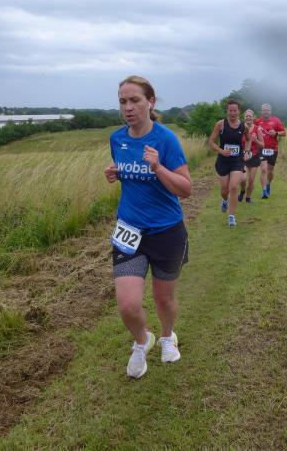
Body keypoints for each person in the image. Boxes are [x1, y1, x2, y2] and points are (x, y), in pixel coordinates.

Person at [104, 75, 191, 379]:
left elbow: (185, 188)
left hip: (166, 231)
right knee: (128, 305)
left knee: (163, 298)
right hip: (129, 231)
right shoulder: (117, 139)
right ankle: (143, 341)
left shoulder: (166, 139)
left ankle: (167, 336)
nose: (128, 107)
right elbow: (130, 174)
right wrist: (116, 173)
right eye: (122, 102)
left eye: (134, 100)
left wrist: (157, 167)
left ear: (150, 102)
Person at [208, 100, 251, 227]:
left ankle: (231, 216)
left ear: (239, 111)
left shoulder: (243, 126)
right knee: (224, 190)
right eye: (230, 110)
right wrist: (221, 151)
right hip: (223, 161)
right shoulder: (220, 124)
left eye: (235, 110)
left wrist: (246, 151)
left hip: (237, 160)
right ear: (227, 111)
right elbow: (211, 142)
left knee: (233, 187)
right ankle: (224, 201)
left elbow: (248, 139)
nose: (233, 113)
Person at [255, 103, 286, 199]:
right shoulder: (257, 121)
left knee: (270, 171)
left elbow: (284, 133)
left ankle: (268, 183)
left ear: (270, 111)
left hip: (273, 149)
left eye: (267, 110)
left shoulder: (276, 120)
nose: (266, 112)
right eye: (264, 110)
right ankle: (264, 191)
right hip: (262, 149)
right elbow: (252, 131)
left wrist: (276, 133)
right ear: (261, 111)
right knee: (263, 169)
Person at [238, 109, 264, 204]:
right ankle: (242, 191)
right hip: (242, 156)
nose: (248, 117)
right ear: (244, 117)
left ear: (253, 117)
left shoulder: (257, 129)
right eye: (247, 116)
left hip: (254, 156)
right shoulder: (240, 128)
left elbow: (262, 145)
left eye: (250, 116)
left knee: (251, 180)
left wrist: (256, 140)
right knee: (243, 179)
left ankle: (248, 198)